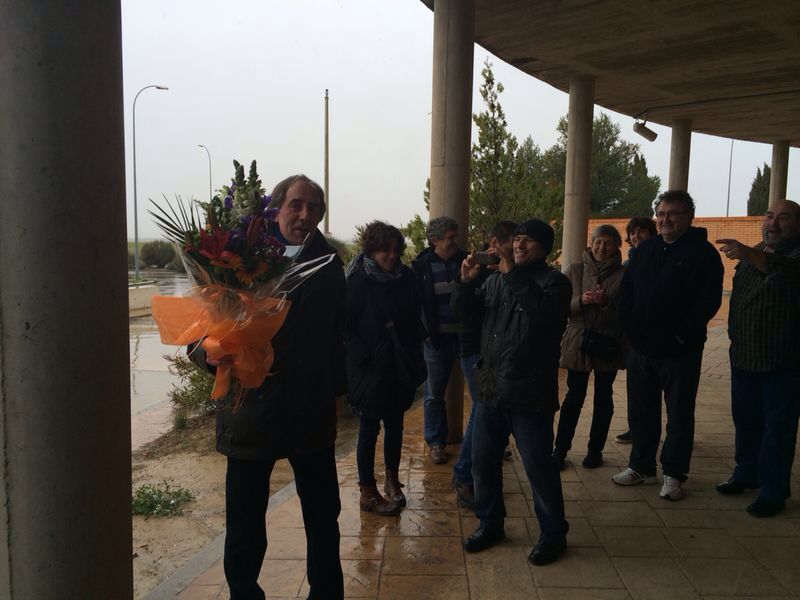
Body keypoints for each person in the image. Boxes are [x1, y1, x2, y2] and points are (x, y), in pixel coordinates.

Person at [191, 174, 346, 599]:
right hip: (251, 410)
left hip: (310, 412)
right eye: (296, 205)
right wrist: (208, 354)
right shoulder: (239, 258)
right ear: (275, 210)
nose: (305, 215)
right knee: (244, 523)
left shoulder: (330, 266)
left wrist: (339, 392)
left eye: (314, 208)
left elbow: (341, 333)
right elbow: (202, 327)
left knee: (323, 517)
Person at [452, 219, 571, 566]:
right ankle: (490, 524)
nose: (519, 245)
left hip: (529, 395)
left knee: (538, 467)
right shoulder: (494, 281)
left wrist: (512, 275)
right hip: (490, 390)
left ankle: (553, 534)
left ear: (544, 248)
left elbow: (543, 316)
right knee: (483, 464)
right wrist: (465, 284)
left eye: (528, 241)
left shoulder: (555, 283)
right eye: (517, 239)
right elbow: (465, 317)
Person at [612, 190, 723, 502]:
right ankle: (641, 466)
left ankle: (674, 473)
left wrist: (680, 337)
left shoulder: (703, 254)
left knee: (679, 415)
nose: (665, 219)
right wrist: (628, 327)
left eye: (673, 213)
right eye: (661, 214)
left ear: (689, 217)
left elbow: (707, 302)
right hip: (641, 349)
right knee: (641, 411)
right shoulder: (646, 249)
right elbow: (626, 290)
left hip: (679, 351)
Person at [715, 199, 800, 517]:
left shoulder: (790, 256)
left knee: (777, 429)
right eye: (770, 216)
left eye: (783, 218)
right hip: (744, 356)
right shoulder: (757, 251)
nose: (773, 223)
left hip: (782, 361)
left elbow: (784, 271)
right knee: (746, 421)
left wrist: (748, 253)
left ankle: (773, 492)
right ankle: (746, 473)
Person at [344, 221, 424, 517]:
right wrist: (364, 357)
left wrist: (414, 349)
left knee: (395, 426)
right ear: (371, 250)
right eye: (383, 250)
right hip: (369, 370)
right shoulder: (358, 280)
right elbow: (345, 326)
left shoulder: (407, 277)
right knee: (368, 430)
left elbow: (415, 317)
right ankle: (367, 491)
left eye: (394, 250)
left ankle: (392, 480)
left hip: (398, 366)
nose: (390, 256)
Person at [452, 220, 517, 509]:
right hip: (474, 351)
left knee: (486, 411)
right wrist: (467, 280)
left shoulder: (512, 271)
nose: (513, 253)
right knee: (480, 411)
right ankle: (464, 474)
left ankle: (475, 472)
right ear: (494, 244)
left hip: (498, 354)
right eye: (509, 248)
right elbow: (461, 311)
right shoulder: (475, 268)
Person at [554, 224, 626, 470]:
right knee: (573, 397)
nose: (601, 247)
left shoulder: (623, 275)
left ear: (617, 246)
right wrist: (580, 301)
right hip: (578, 340)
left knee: (604, 398)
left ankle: (595, 450)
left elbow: (626, 312)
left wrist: (605, 303)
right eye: (598, 242)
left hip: (608, 342)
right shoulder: (574, 271)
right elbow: (558, 306)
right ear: (591, 243)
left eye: (608, 243)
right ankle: (560, 450)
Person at [411, 216, 466, 464]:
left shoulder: (466, 261)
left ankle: (485, 440)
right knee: (434, 395)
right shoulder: (421, 267)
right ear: (434, 240)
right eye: (450, 237)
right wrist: (424, 334)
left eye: (455, 236)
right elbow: (414, 306)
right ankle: (436, 442)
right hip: (436, 342)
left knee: (482, 393)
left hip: (466, 340)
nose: (455, 241)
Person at [615, 217, 657, 444]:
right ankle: (637, 430)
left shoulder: (658, 258)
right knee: (637, 390)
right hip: (634, 336)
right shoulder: (627, 264)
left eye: (641, 231)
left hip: (659, 336)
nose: (636, 236)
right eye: (633, 232)